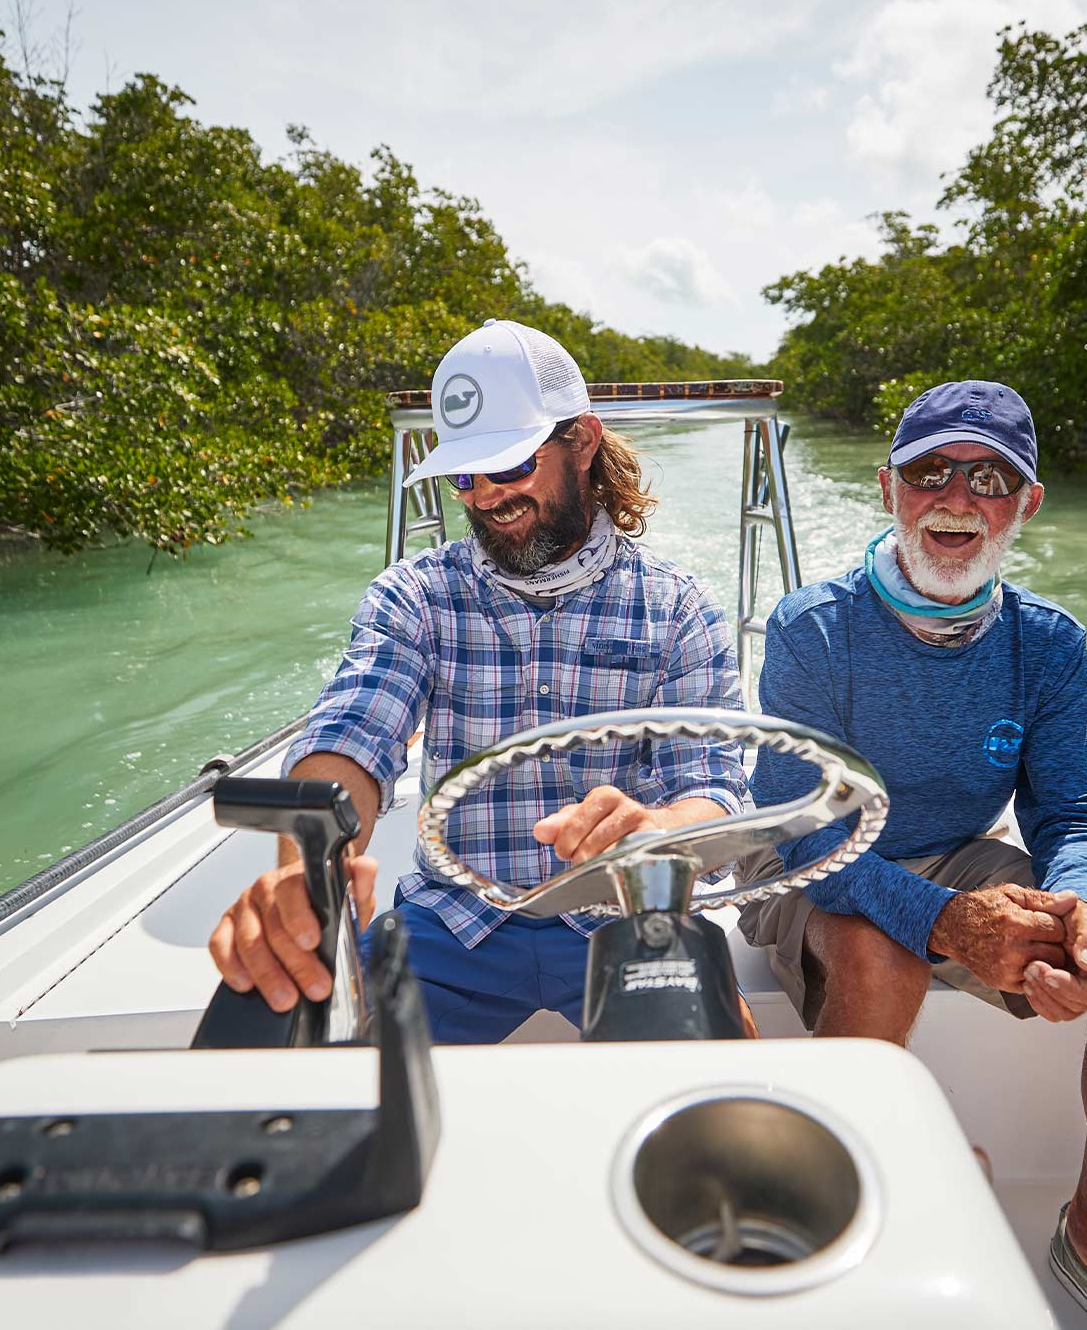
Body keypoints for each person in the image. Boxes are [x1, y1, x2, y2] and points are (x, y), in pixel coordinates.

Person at [740, 380, 1087, 1330]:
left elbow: (1074, 810)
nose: (957, 496)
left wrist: (1078, 901)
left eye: (989, 476)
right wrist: (947, 921)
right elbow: (801, 831)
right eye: (931, 471)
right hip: (809, 867)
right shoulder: (809, 630)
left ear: (1025, 503)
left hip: (956, 854)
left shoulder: (1048, 645)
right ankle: (837, 1238)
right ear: (889, 490)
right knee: (878, 945)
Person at [208, 319, 747, 1044]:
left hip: (622, 919)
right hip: (452, 925)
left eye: (512, 464)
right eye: (466, 474)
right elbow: (353, 733)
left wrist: (655, 829)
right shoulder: (413, 597)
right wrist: (308, 873)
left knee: (728, 1081)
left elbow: (713, 792)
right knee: (279, 1028)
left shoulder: (680, 608)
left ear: (582, 442)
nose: (489, 494)